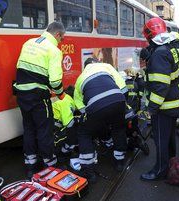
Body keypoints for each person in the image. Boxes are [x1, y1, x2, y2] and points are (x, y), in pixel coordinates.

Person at [13, 22, 66, 179]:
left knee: (29, 128)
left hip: (21, 94)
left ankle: (30, 164)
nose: (61, 41)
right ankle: (49, 163)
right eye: (62, 38)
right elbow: (55, 81)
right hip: (38, 96)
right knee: (45, 129)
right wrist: (61, 94)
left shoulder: (28, 42)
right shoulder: (54, 51)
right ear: (57, 34)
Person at [140, 17, 179, 181]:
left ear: (150, 35)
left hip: (163, 107)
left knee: (160, 140)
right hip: (173, 103)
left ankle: (160, 170)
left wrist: (151, 109)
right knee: (169, 138)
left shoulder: (159, 54)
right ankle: (171, 163)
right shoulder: (169, 49)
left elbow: (161, 86)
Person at [73, 58, 128, 182]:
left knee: (84, 133)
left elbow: (79, 104)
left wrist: (89, 117)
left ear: (85, 67)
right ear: (96, 62)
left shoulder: (80, 77)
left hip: (95, 106)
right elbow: (123, 88)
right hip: (118, 100)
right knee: (118, 129)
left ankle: (89, 171)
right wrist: (123, 105)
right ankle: (119, 162)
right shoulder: (106, 66)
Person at [52, 86, 77, 160]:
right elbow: (68, 123)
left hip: (48, 128)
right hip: (52, 131)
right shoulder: (66, 102)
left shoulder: (64, 100)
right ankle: (63, 153)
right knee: (75, 133)